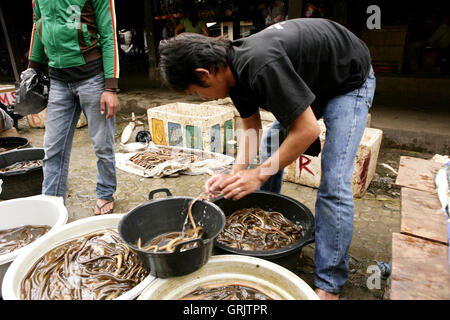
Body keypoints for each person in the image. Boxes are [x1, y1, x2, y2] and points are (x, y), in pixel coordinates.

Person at [158, 18, 375, 299]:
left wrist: (259, 174)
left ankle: (329, 284)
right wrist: (236, 174)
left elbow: (307, 130)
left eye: (195, 91)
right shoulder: (230, 71)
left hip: (348, 77)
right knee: (272, 145)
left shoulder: (259, 65)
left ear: (205, 73)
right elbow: (251, 127)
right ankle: (265, 218)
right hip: (313, 76)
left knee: (333, 182)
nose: (201, 98)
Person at [27, 0, 120, 215]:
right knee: (52, 148)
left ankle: (105, 192)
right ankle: (51, 202)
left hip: (93, 78)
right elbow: (38, 23)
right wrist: (32, 69)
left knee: (102, 144)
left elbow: (109, 34)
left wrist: (111, 87)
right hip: (57, 79)